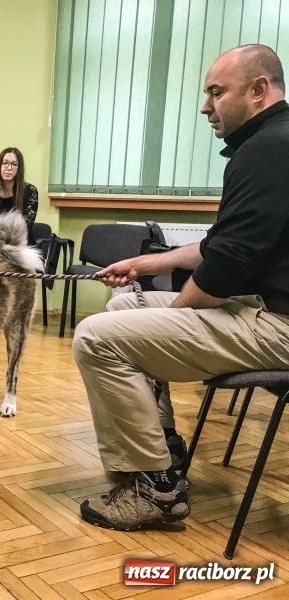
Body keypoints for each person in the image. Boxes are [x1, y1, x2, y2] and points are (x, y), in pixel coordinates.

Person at [72, 44, 289, 531]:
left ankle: (156, 490)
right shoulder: (273, 142)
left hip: (279, 326)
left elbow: (221, 273)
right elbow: (218, 245)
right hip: (264, 311)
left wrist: (174, 316)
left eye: (216, 92)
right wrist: (141, 262)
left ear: (259, 91)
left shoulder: (269, 149)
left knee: (95, 336)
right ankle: (163, 448)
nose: (205, 107)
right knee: (125, 304)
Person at [0, 147, 38, 233]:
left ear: (19, 169)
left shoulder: (30, 191)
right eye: (5, 163)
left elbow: (26, 228)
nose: (9, 168)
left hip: (20, 242)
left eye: (14, 164)